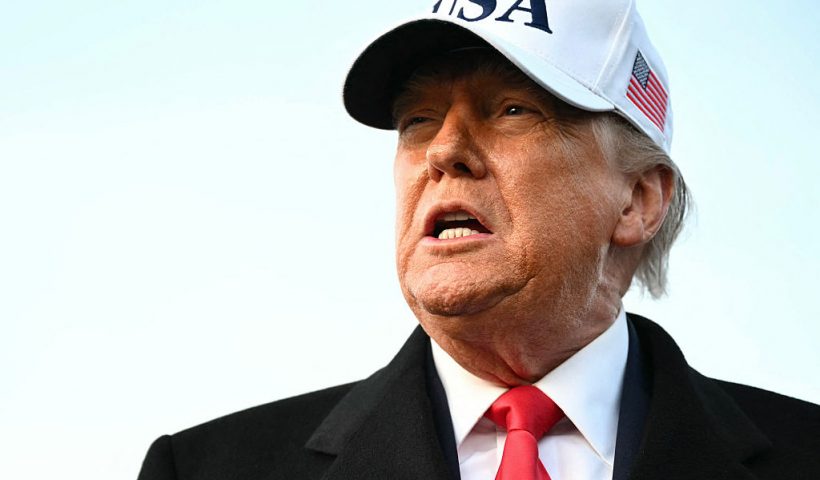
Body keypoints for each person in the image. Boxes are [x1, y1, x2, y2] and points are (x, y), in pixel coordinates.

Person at [137, 1, 820, 479]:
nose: (445, 151)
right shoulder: (205, 468)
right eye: (418, 120)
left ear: (638, 200)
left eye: (511, 110)